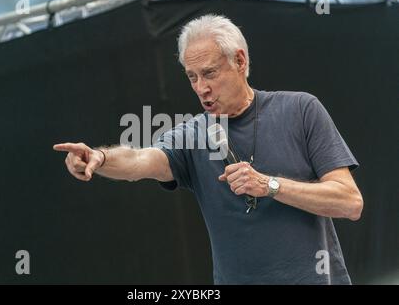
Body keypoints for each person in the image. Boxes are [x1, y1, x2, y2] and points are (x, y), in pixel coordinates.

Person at [53, 15, 363, 284]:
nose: (201, 87)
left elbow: (350, 202)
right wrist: (101, 157)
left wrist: (269, 185)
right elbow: (139, 160)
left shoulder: (300, 109)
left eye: (210, 73)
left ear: (239, 62)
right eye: (192, 77)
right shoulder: (192, 135)